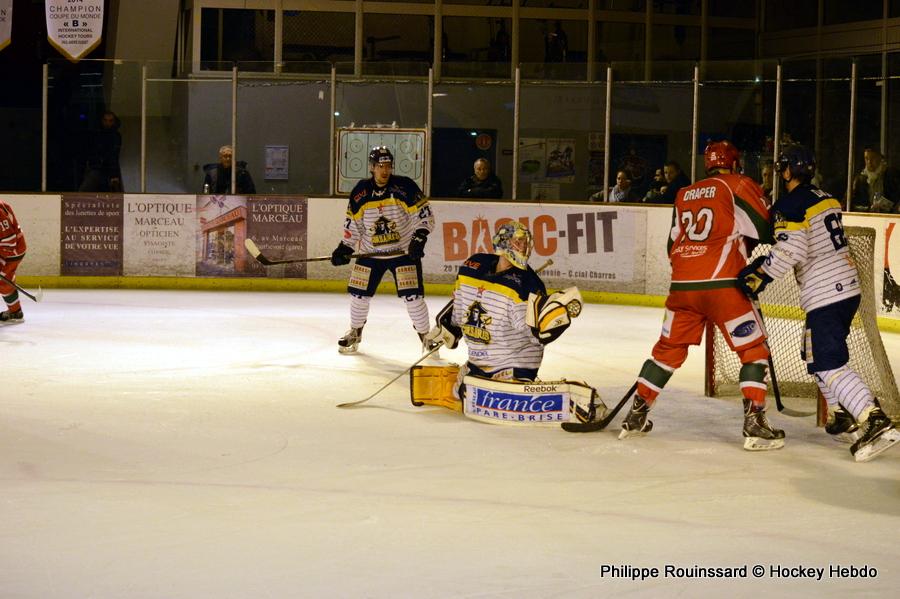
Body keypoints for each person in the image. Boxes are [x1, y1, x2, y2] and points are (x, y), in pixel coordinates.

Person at [619, 140, 784, 451]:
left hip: (683, 287)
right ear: (733, 163)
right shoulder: (737, 183)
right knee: (753, 351)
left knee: (667, 352)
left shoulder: (684, 193)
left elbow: (672, 245)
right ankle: (755, 423)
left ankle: (636, 415)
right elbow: (766, 227)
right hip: (724, 286)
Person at [739, 144, 899, 462]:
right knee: (812, 353)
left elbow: (791, 250)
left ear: (788, 171)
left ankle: (874, 420)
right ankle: (841, 413)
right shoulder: (824, 197)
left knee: (828, 362)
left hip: (826, 293)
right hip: (846, 289)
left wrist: (758, 276)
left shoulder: (791, 204)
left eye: (782, 167)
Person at [423, 221, 583, 399]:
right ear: (503, 242)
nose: (523, 247)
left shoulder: (529, 283)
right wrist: (451, 325)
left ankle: (519, 384)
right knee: (461, 395)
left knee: (498, 398)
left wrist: (546, 326)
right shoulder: (472, 266)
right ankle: (476, 372)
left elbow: (533, 335)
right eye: (518, 242)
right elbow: (461, 304)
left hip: (515, 364)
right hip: (478, 361)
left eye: (526, 243)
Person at [330, 146, 434, 354]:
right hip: (370, 253)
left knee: (413, 298)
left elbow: (424, 215)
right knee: (359, 295)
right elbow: (353, 225)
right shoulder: (360, 192)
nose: (385, 170)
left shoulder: (404, 186)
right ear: (372, 167)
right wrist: (345, 246)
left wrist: (419, 237)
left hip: (403, 253)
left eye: (388, 166)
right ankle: (355, 332)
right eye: (380, 166)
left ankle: (427, 338)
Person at [79, 111, 123, 192]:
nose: (107, 123)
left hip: (107, 170)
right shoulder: (95, 135)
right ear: (101, 121)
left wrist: (114, 174)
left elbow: (113, 155)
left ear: (114, 122)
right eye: (105, 120)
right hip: (96, 168)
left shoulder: (115, 136)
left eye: (110, 121)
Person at [0, 200, 27, 324]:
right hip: (7, 249)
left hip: (12, 251)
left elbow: (10, 240)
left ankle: (15, 311)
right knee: (5, 281)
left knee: (3, 281)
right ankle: (15, 311)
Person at [850, 147, 900, 213]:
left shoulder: (891, 175)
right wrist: (868, 209)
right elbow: (851, 204)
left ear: (880, 158)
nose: (869, 162)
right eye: (866, 158)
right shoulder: (860, 180)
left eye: (873, 158)